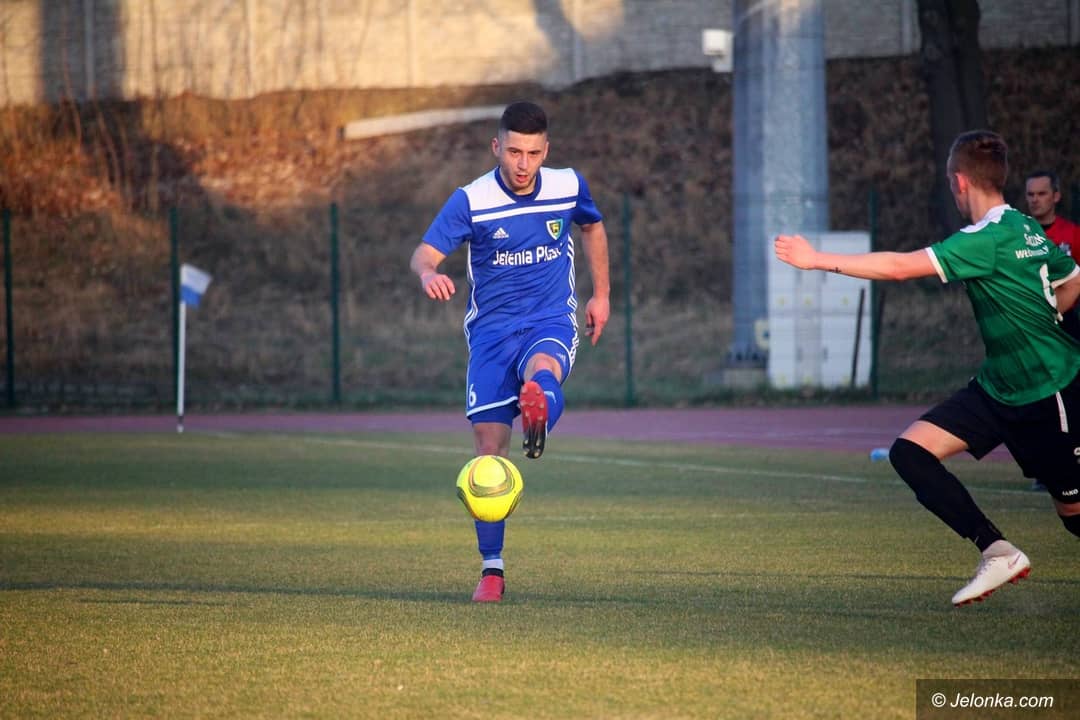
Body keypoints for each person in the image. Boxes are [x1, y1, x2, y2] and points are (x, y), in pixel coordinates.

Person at [774, 130, 1080, 607]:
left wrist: (815, 260)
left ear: (959, 182)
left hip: (1048, 393)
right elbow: (1072, 280)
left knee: (1074, 517)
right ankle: (997, 551)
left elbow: (898, 267)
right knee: (910, 453)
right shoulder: (1024, 225)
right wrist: (1045, 319)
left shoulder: (985, 238)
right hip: (998, 388)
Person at [410, 100, 611, 603]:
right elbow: (424, 253)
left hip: (549, 318)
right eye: (515, 152)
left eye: (534, 153)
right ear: (496, 147)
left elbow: (592, 226)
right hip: (491, 336)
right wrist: (429, 273)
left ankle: (538, 406)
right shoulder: (471, 200)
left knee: (544, 369)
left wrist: (601, 295)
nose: (524, 164)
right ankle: (492, 571)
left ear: (547, 151)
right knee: (488, 456)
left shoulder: (568, 186)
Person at [1026, 170, 1080, 341]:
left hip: (1066, 318)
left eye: (1041, 194)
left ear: (1056, 196)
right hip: (1029, 317)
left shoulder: (1073, 234)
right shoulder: (1018, 235)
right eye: (1030, 194)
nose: (1035, 199)